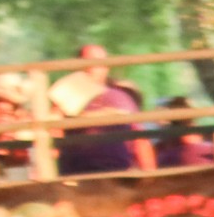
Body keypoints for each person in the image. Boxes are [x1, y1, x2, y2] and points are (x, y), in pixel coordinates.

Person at [50, 45, 156, 176]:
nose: (95, 66)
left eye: (101, 61)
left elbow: (140, 139)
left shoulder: (121, 97)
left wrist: (150, 175)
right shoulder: (64, 96)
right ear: (77, 65)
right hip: (78, 173)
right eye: (89, 60)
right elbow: (53, 140)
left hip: (118, 173)